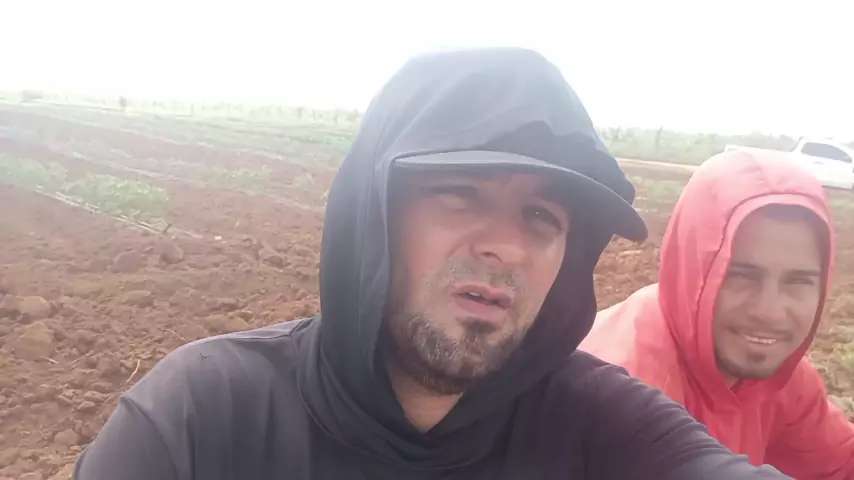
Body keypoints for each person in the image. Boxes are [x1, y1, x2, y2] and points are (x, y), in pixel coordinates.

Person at [73, 47, 790, 479]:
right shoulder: (206, 419)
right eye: (460, 193)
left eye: (541, 216)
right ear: (374, 215)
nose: (506, 246)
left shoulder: (597, 425)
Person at [580, 149, 854, 479]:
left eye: (798, 281)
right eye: (740, 276)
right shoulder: (623, 398)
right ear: (693, 270)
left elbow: (838, 461)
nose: (769, 313)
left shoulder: (781, 378)